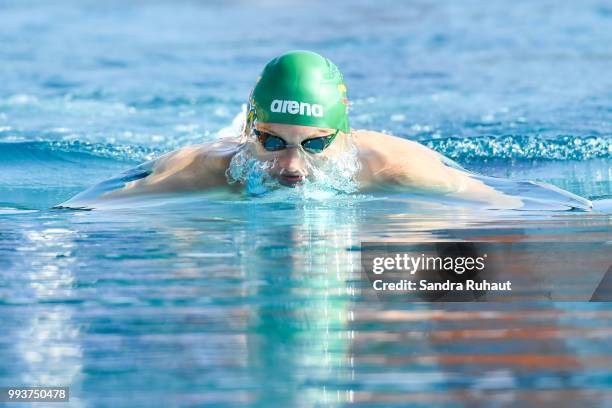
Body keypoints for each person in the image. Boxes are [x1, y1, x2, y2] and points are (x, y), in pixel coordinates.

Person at [58, 50, 592, 210]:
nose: (291, 167)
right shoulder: (206, 170)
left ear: (342, 135)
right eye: (271, 142)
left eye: (314, 145)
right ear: (250, 129)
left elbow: (513, 202)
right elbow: (85, 208)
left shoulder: (397, 168)